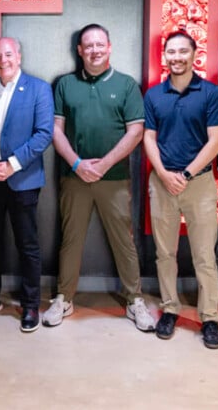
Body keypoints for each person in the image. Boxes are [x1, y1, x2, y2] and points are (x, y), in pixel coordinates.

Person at [44, 23, 156, 331]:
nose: (93, 50)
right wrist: (78, 163)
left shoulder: (126, 85)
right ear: (80, 50)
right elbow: (56, 129)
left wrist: (103, 164)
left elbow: (136, 132)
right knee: (71, 239)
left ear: (109, 47)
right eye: (87, 46)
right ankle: (64, 298)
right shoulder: (65, 84)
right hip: (74, 176)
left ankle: (134, 300)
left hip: (114, 177)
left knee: (124, 240)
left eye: (99, 45)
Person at [142, 31, 218, 349]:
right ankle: (169, 309)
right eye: (171, 52)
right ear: (164, 56)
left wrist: (187, 173)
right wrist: (164, 174)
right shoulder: (153, 95)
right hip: (162, 183)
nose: (176, 57)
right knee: (164, 253)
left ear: (194, 54)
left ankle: (209, 318)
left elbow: (216, 140)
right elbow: (148, 138)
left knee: (204, 255)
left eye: (183, 51)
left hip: (200, 184)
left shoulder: (210, 94)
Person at [0, 37, 53, 333]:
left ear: (18, 56)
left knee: (27, 245)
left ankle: (31, 305)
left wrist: (12, 164)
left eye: (8, 54)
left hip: (22, 179)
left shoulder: (39, 89)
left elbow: (43, 134)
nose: (3, 59)